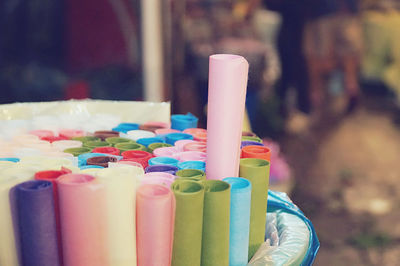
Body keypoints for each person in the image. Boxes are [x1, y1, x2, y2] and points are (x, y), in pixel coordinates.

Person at [303, 0, 362, 114]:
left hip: (322, 11)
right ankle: (351, 86)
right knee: (348, 53)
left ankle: (316, 96)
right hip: (346, 10)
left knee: (317, 55)